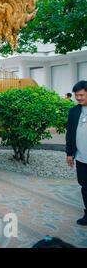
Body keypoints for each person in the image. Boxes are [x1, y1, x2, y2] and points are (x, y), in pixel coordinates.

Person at [66, 80, 87, 226]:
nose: (78, 98)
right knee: (85, 187)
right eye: (76, 95)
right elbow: (69, 134)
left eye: (81, 95)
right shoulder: (73, 111)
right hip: (81, 158)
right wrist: (69, 153)